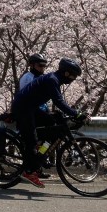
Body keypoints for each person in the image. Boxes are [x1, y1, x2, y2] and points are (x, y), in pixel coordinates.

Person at [11, 57, 88, 188]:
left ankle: (40, 152)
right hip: (23, 109)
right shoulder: (52, 80)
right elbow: (58, 101)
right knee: (31, 140)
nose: (73, 79)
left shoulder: (55, 79)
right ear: (67, 73)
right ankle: (29, 171)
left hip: (31, 108)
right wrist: (77, 113)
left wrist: (67, 114)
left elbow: (59, 102)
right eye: (73, 76)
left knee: (53, 124)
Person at [18, 53, 52, 177]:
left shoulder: (41, 77)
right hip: (29, 113)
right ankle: (32, 168)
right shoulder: (28, 78)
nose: (42, 68)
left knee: (48, 138)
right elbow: (29, 99)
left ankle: (39, 161)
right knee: (32, 142)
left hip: (40, 111)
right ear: (32, 65)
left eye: (44, 65)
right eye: (40, 65)